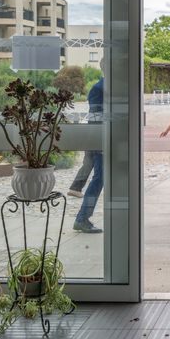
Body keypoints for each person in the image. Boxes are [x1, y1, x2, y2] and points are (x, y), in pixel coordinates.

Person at [73, 72, 104, 234]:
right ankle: (82, 218)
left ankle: (82, 218)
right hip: (101, 143)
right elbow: (96, 118)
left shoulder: (103, 86)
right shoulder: (100, 88)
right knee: (99, 180)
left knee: (99, 179)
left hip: (103, 141)